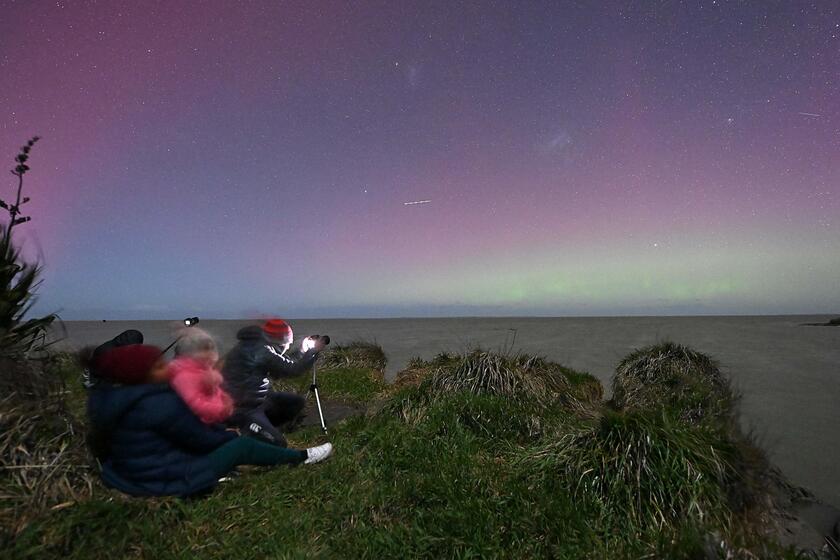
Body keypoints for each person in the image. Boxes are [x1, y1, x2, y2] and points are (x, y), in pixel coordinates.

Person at [85, 343, 333, 498]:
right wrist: (230, 436)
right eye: (160, 367)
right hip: (162, 482)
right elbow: (201, 439)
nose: (169, 368)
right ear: (141, 374)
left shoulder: (108, 400)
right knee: (242, 446)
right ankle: (302, 457)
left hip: (124, 476)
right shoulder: (157, 404)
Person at [221, 318, 326, 446]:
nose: (288, 348)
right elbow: (293, 370)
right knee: (278, 443)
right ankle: (247, 430)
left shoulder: (254, 345)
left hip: (255, 400)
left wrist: (302, 351)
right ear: (280, 343)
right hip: (244, 408)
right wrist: (313, 351)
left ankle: (263, 426)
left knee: (295, 402)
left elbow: (281, 364)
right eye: (288, 344)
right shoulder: (262, 351)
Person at [167, 326, 234, 424]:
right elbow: (193, 403)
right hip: (195, 423)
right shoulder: (185, 376)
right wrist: (221, 410)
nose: (211, 353)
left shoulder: (204, 371)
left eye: (212, 348)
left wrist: (225, 399)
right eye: (205, 349)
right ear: (191, 351)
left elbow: (213, 393)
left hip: (213, 420)